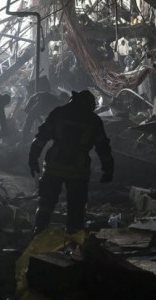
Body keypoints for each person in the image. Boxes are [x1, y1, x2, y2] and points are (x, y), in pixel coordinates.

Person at [28, 89, 114, 235]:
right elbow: (102, 147)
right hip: (78, 170)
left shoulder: (58, 113)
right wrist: (108, 169)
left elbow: (41, 137)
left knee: (46, 203)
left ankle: (38, 233)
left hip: (54, 165)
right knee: (76, 207)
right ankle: (73, 240)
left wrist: (33, 158)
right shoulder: (93, 120)